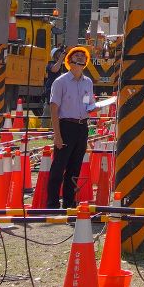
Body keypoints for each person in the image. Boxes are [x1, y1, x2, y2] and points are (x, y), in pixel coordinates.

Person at [46, 47, 99, 208]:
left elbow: (88, 104)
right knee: (59, 167)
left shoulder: (88, 82)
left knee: (74, 168)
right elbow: (54, 108)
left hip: (81, 127)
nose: (81, 58)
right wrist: (57, 135)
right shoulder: (60, 81)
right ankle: (52, 204)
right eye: (77, 55)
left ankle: (69, 203)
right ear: (69, 60)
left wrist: (94, 107)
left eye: (83, 56)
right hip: (66, 126)